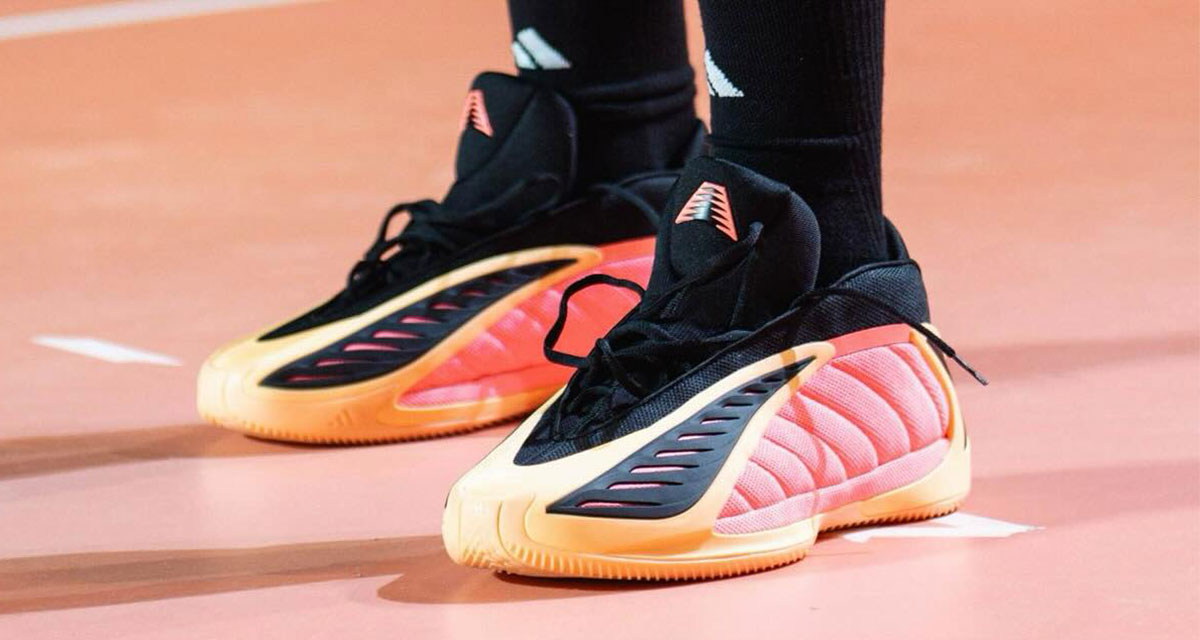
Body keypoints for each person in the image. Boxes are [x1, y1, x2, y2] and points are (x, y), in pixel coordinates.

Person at [201, 1, 985, 578]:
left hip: (819, 294)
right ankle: (612, 144)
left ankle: (835, 289)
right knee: (607, 105)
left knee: (794, 187)